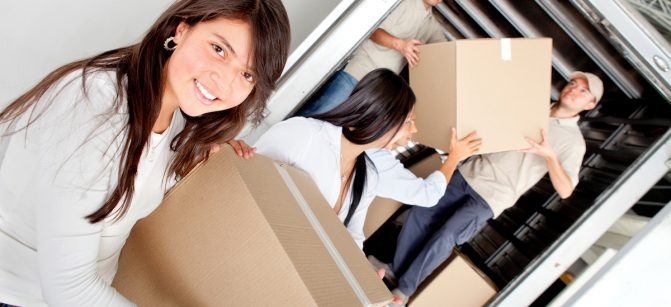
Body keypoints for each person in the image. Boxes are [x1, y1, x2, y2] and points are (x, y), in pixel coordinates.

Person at [0, 1, 290, 306]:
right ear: (181, 29)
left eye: (247, 75)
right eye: (219, 49)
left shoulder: (177, 118)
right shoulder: (97, 107)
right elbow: (68, 289)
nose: (224, 81)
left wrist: (200, 164)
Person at [368, 71, 604, 305]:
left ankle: (405, 289)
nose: (573, 89)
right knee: (421, 213)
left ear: (590, 104)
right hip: (469, 173)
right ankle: (393, 269)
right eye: (573, 83)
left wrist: (550, 155)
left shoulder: (574, 142)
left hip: (493, 196)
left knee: (446, 235)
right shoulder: (533, 107)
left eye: (583, 90)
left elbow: (565, 190)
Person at [229, 68, 481, 249]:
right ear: (384, 119)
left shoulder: (369, 175)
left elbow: (352, 239)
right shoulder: (304, 134)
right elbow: (242, 183)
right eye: (408, 122)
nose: (413, 131)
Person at [295, 0, 446, 116]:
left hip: (374, 88)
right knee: (320, 113)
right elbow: (373, 30)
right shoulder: (402, 4)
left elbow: (449, 53)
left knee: (330, 124)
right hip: (357, 72)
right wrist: (400, 45)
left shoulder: (432, 26)